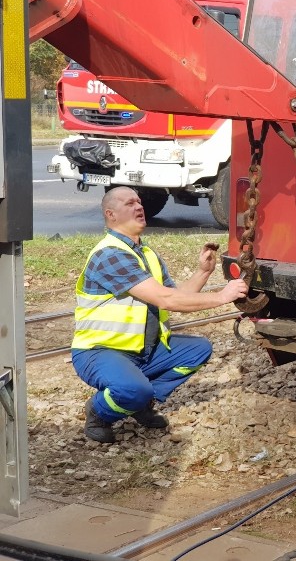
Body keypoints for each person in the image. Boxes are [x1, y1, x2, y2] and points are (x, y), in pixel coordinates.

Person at [72, 186, 248, 443]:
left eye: (139, 201)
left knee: (197, 350)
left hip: (142, 350)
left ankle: (139, 404)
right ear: (111, 214)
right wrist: (222, 296)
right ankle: (100, 412)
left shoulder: (146, 254)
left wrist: (203, 272)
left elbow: (171, 297)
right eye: (129, 203)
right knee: (132, 389)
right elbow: (167, 299)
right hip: (101, 351)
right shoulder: (109, 255)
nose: (139, 206)